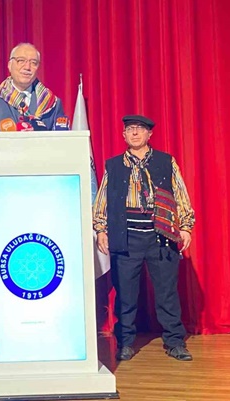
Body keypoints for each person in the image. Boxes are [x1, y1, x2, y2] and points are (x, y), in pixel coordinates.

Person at [93, 115, 195, 362]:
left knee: (167, 293)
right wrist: (101, 229)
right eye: (130, 129)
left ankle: (175, 342)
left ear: (149, 134)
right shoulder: (113, 166)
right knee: (126, 295)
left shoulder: (166, 161)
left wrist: (185, 226)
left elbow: (180, 192)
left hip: (160, 236)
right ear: (124, 135)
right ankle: (125, 343)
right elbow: (103, 199)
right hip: (126, 237)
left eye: (140, 129)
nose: (135, 133)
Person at [0, 42, 65, 131]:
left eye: (33, 62)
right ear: (10, 65)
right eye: (21, 61)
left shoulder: (52, 103)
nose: (27, 67)